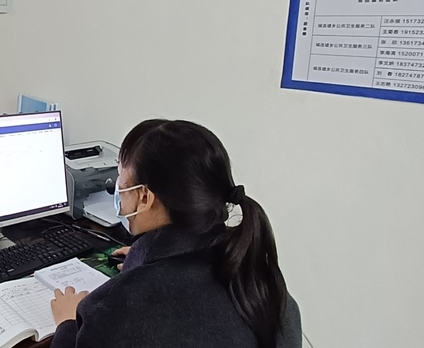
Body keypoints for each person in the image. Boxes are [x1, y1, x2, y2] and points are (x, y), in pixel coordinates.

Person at [48, 120, 302, 348]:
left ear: (144, 197)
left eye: (121, 183)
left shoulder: (111, 308)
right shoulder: (261, 281)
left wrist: (68, 324)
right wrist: (142, 260)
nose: (118, 193)